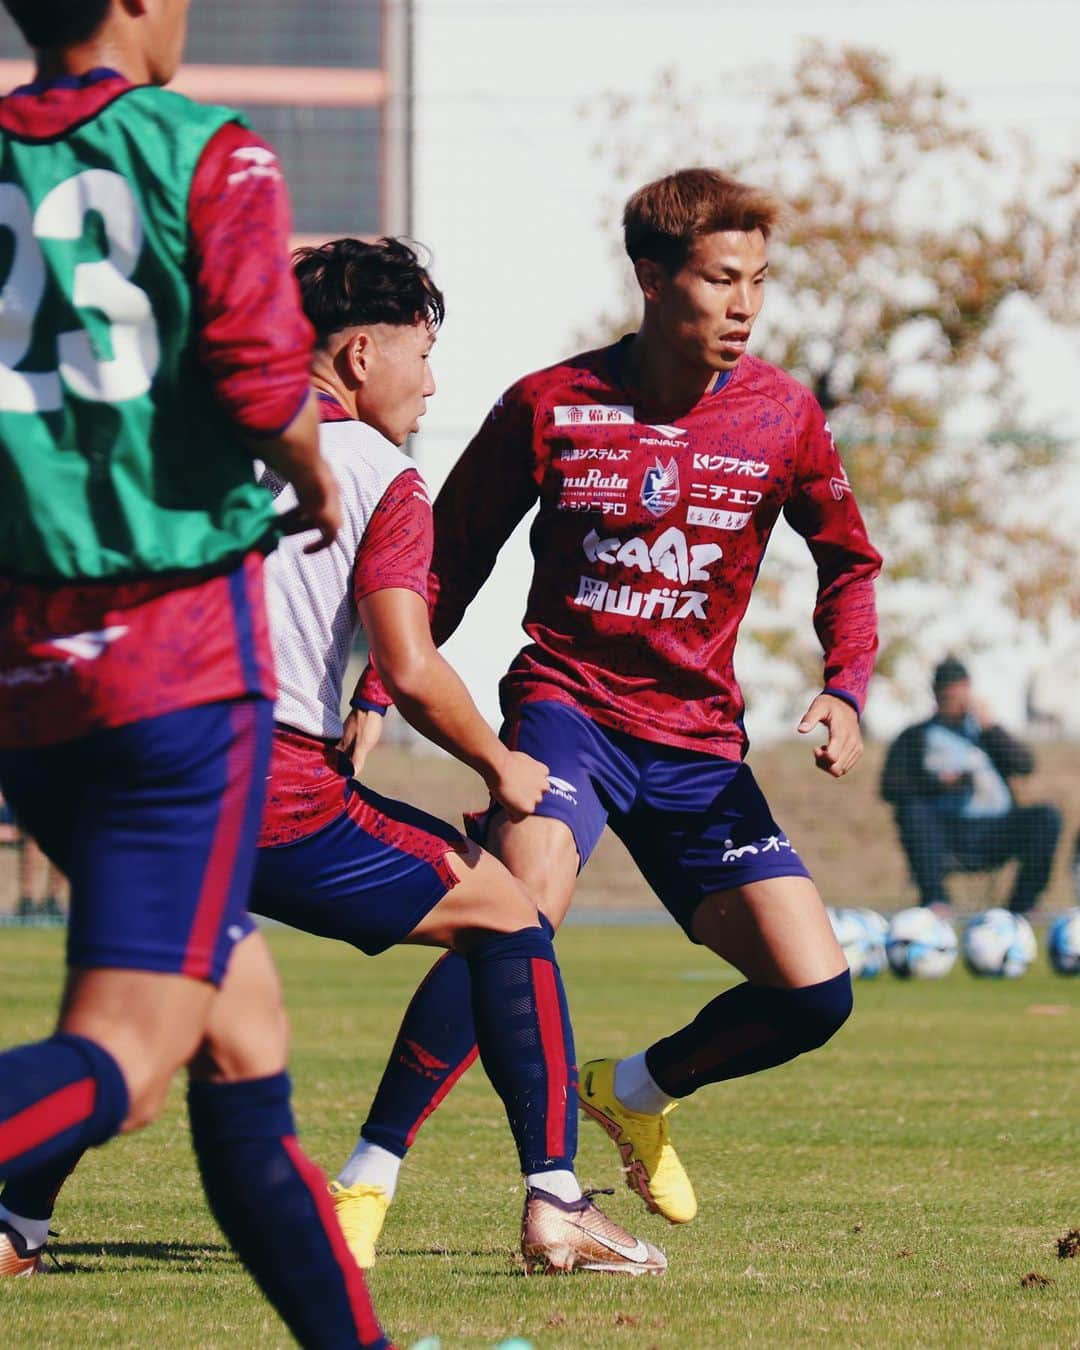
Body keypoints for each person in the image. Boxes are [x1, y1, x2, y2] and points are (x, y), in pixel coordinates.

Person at [0, 236, 666, 1278]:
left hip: (116, 769)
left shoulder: (197, 436)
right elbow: (410, 662)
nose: (433, 380)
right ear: (360, 356)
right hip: (265, 784)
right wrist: (502, 767)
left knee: (145, 1018)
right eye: (424, 351)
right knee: (507, 915)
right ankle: (557, 1202)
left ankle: (15, 1228)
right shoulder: (375, 471)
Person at [338, 166, 883, 1256]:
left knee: (815, 997)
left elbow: (850, 564)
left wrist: (845, 685)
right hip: (569, 708)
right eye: (721, 279)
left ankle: (636, 1089)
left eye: (759, 283)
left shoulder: (783, 414)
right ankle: (366, 1179)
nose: (743, 305)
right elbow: (444, 565)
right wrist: (371, 691)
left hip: (698, 747)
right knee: (512, 910)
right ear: (651, 277)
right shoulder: (551, 404)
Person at [0, 4, 393, 1345]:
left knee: (240, 1041)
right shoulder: (205, 152)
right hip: (173, 665)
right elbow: (255, 372)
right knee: (131, 1051)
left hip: (26, 674)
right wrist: (311, 466)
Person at [880, 657, 1062, 915]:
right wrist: (939, 784)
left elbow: (1024, 765)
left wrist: (990, 728)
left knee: (1046, 817)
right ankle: (936, 900)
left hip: (996, 830)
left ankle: (1023, 905)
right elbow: (890, 787)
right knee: (911, 811)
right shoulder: (915, 736)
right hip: (945, 832)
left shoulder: (985, 733)